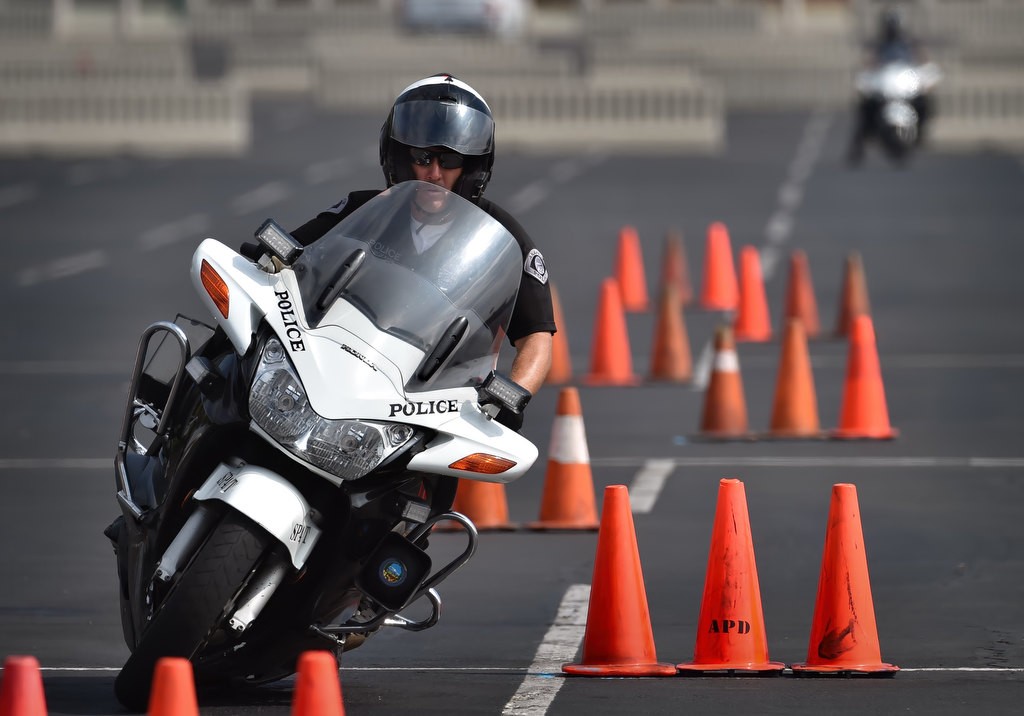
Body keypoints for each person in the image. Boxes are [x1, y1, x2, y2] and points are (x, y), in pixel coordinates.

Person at [260, 73, 555, 429]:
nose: (433, 173)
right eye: (422, 156)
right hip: (333, 378)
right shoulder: (362, 211)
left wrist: (512, 393)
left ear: (472, 168)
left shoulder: (504, 238)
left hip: (429, 408)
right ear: (400, 157)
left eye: (449, 161)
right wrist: (264, 260)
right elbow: (284, 257)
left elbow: (536, 337)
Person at [847, 6, 934, 164]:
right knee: (866, 108)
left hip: (903, 81)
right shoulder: (879, 43)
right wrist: (868, 71)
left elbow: (922, 58)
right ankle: (858, 146)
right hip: (884, 83)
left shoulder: (908, 42)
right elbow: (869, 61)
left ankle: (921, 134)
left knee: (924, 102)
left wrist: (924, 71)